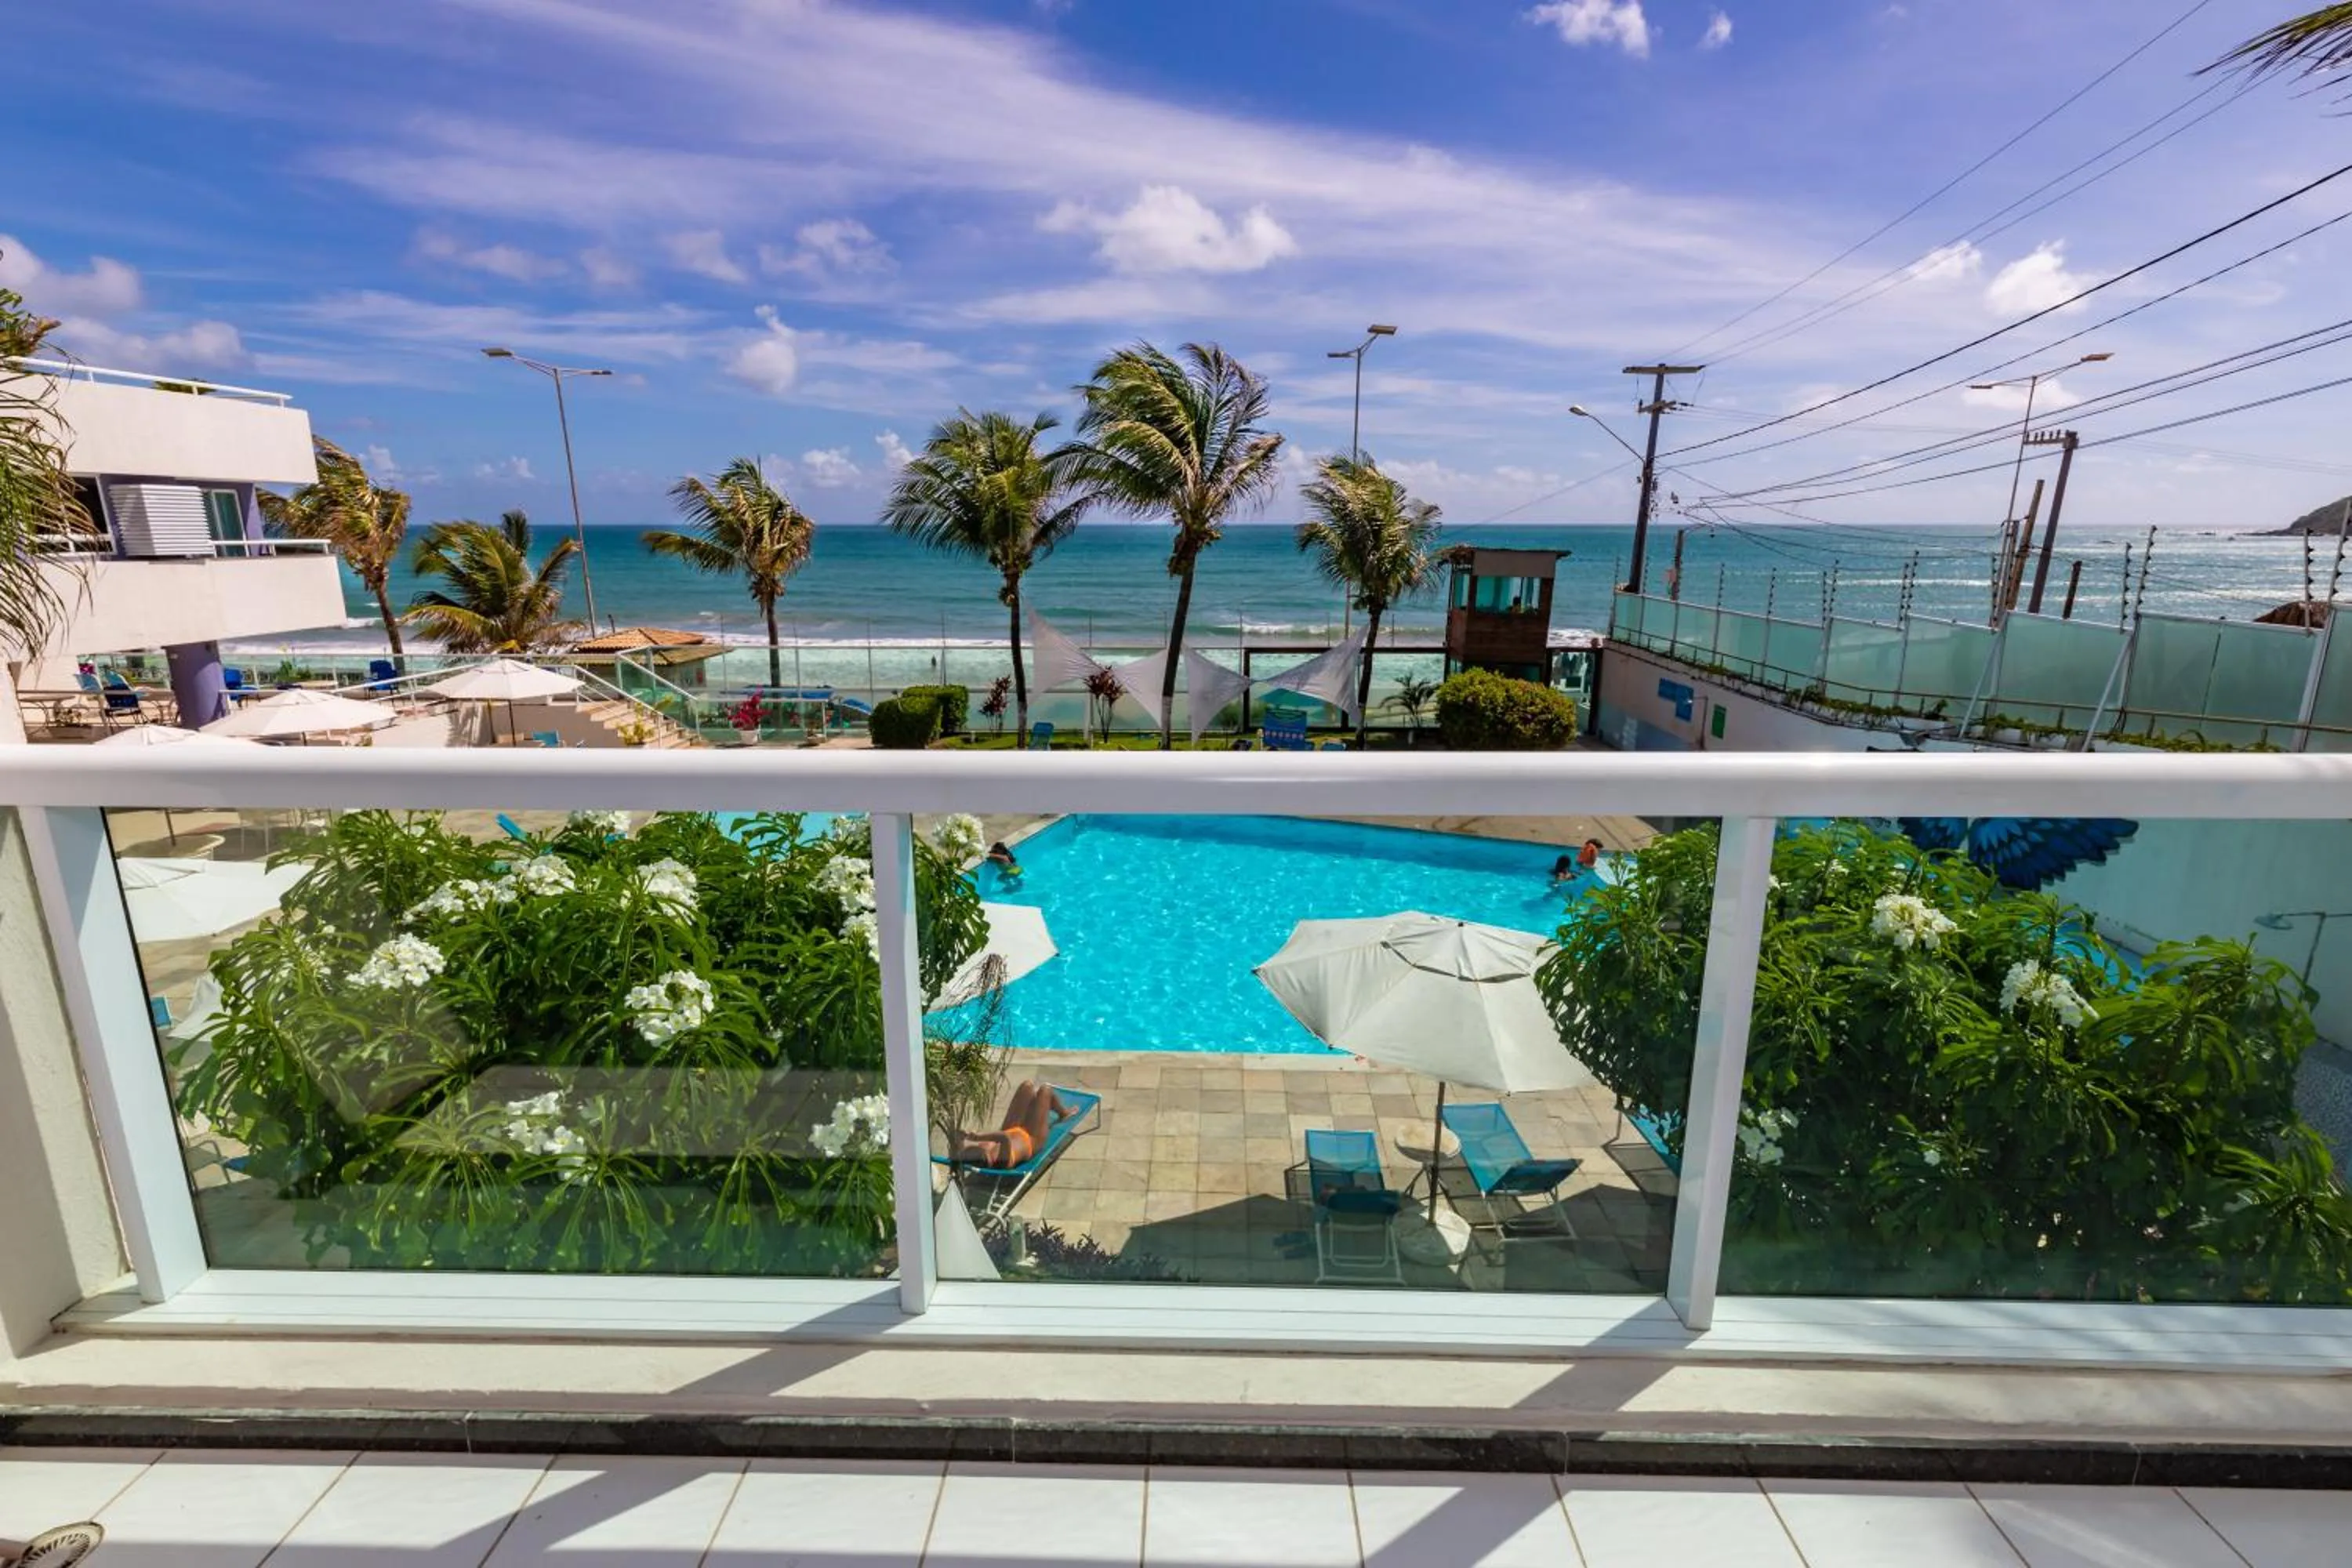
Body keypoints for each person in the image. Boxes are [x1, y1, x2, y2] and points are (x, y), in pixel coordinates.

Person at [952, 1080, 1069, 1169]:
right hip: (1031, 1138)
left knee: (1027, 1086)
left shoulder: (974, 1157)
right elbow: (1004, 1138)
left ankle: (1035, 1107)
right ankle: (1063, 1113)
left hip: (1011, 1129)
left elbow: (958, 1149)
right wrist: (978, 1137)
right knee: (1045, 1090)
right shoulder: (1002, 1162)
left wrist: (960, 1137)